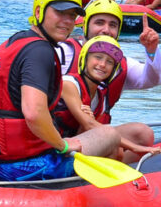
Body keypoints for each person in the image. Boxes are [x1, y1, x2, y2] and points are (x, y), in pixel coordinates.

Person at [0, 0, 121, 182]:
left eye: (71, 15)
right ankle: (84, 205)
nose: (67, 21)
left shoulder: (15, 42)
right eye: (60, 13)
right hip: (22, 166)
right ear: (39, 11)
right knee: (110, 135)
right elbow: (34, 113)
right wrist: (62, 145)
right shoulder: (40, 51)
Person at [54, 35, 157, 164]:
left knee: (130, 140)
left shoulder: (100, 97)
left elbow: (83, 131)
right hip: (55, 148)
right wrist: (136, 147)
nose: (102, 65)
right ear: (85, 59)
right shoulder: (69, 83)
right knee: (110, 137)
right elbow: (90, 125)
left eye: (109, 62)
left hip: (74, 143)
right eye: (97, 57)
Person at [59, 0, 161, 91]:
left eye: (112, 25)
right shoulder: (61, 54)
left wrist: (152, 51)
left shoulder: (122, 65)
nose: (106, 30)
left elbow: (151, 80)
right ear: (85, 27)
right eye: (99, 23)